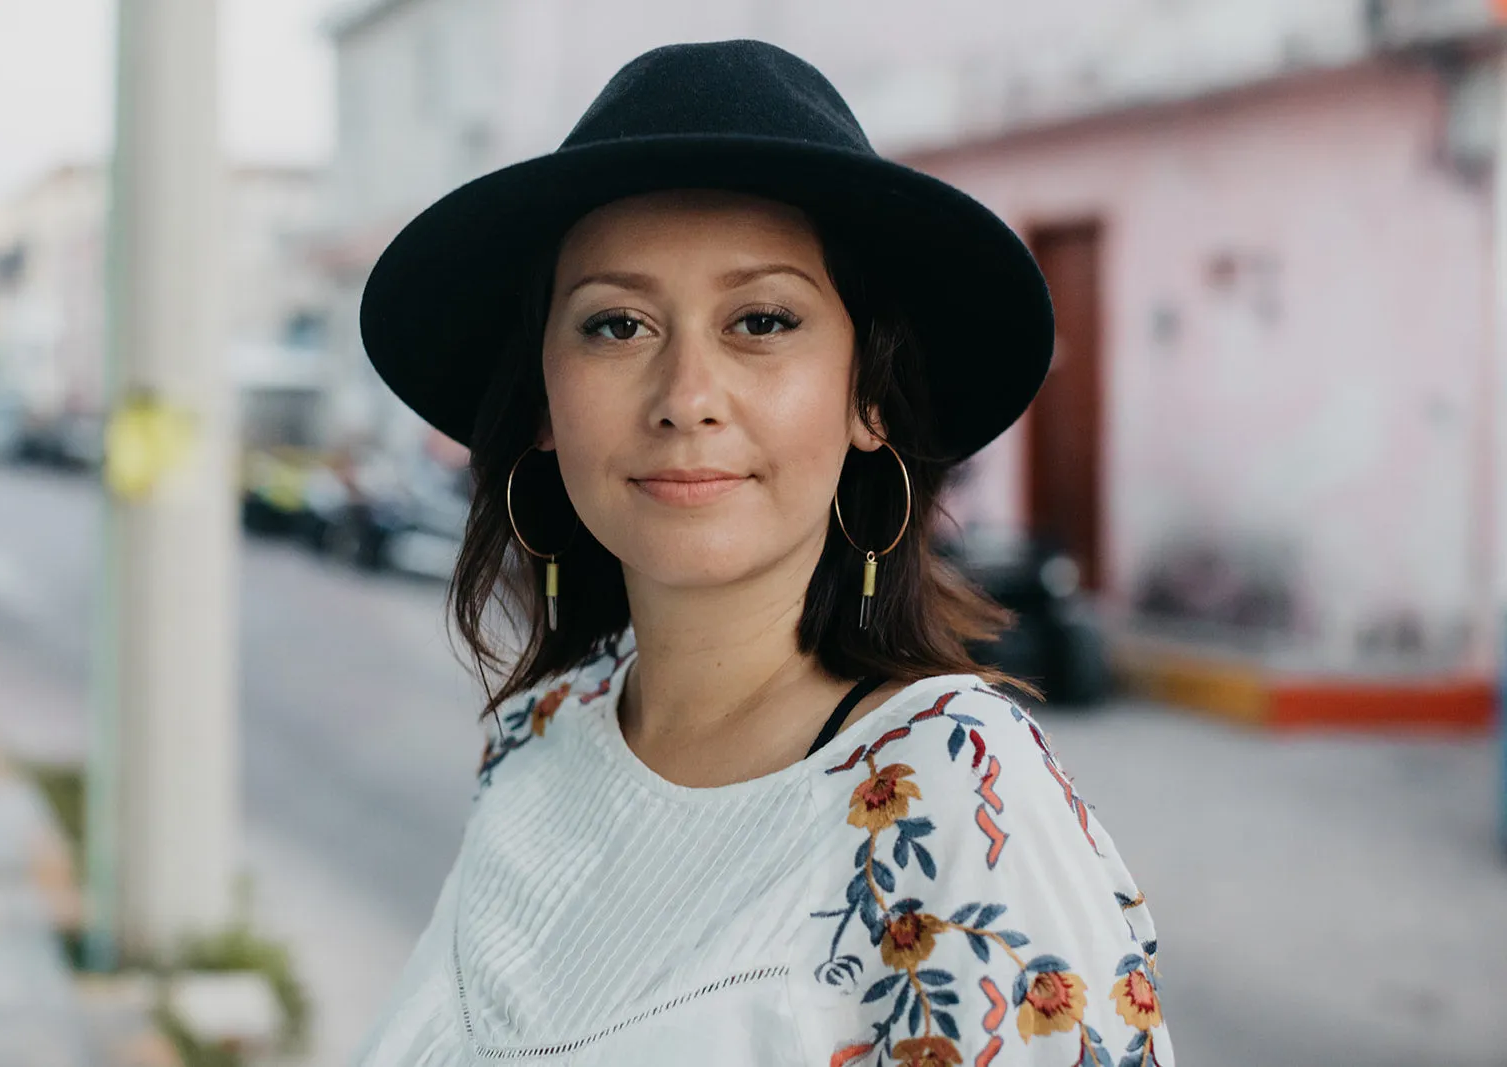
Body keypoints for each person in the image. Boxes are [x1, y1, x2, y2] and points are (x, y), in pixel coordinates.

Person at [353, 39, 1172, 1067]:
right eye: (616, 324)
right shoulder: (538, 734)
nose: (686, 395)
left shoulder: (953, 790)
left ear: (868, 395)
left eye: (761, 320)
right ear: (543, 405)